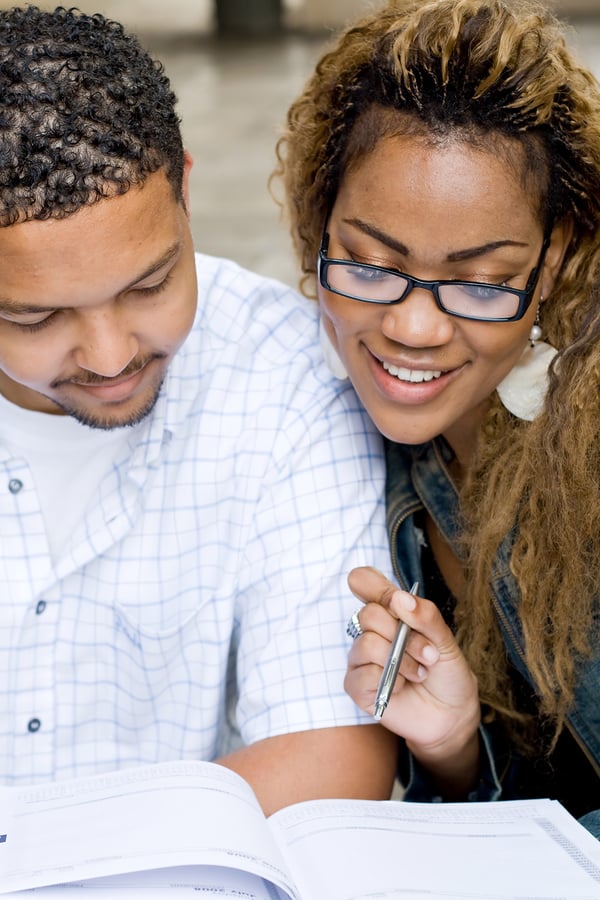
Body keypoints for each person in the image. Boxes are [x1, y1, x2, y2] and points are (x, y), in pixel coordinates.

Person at [0, 5, 399, 813]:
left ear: (184, 184)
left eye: (149, 285)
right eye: (34, 319)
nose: (112, 356)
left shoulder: (285, 374)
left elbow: (332, 755)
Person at [274, 0, 600, 834]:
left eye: (482, 280)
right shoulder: (367, 442)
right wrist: (455, 746)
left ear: (555, 255)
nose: (413, 327)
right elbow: (525, 803)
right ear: (319, 229)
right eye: (370, 263)